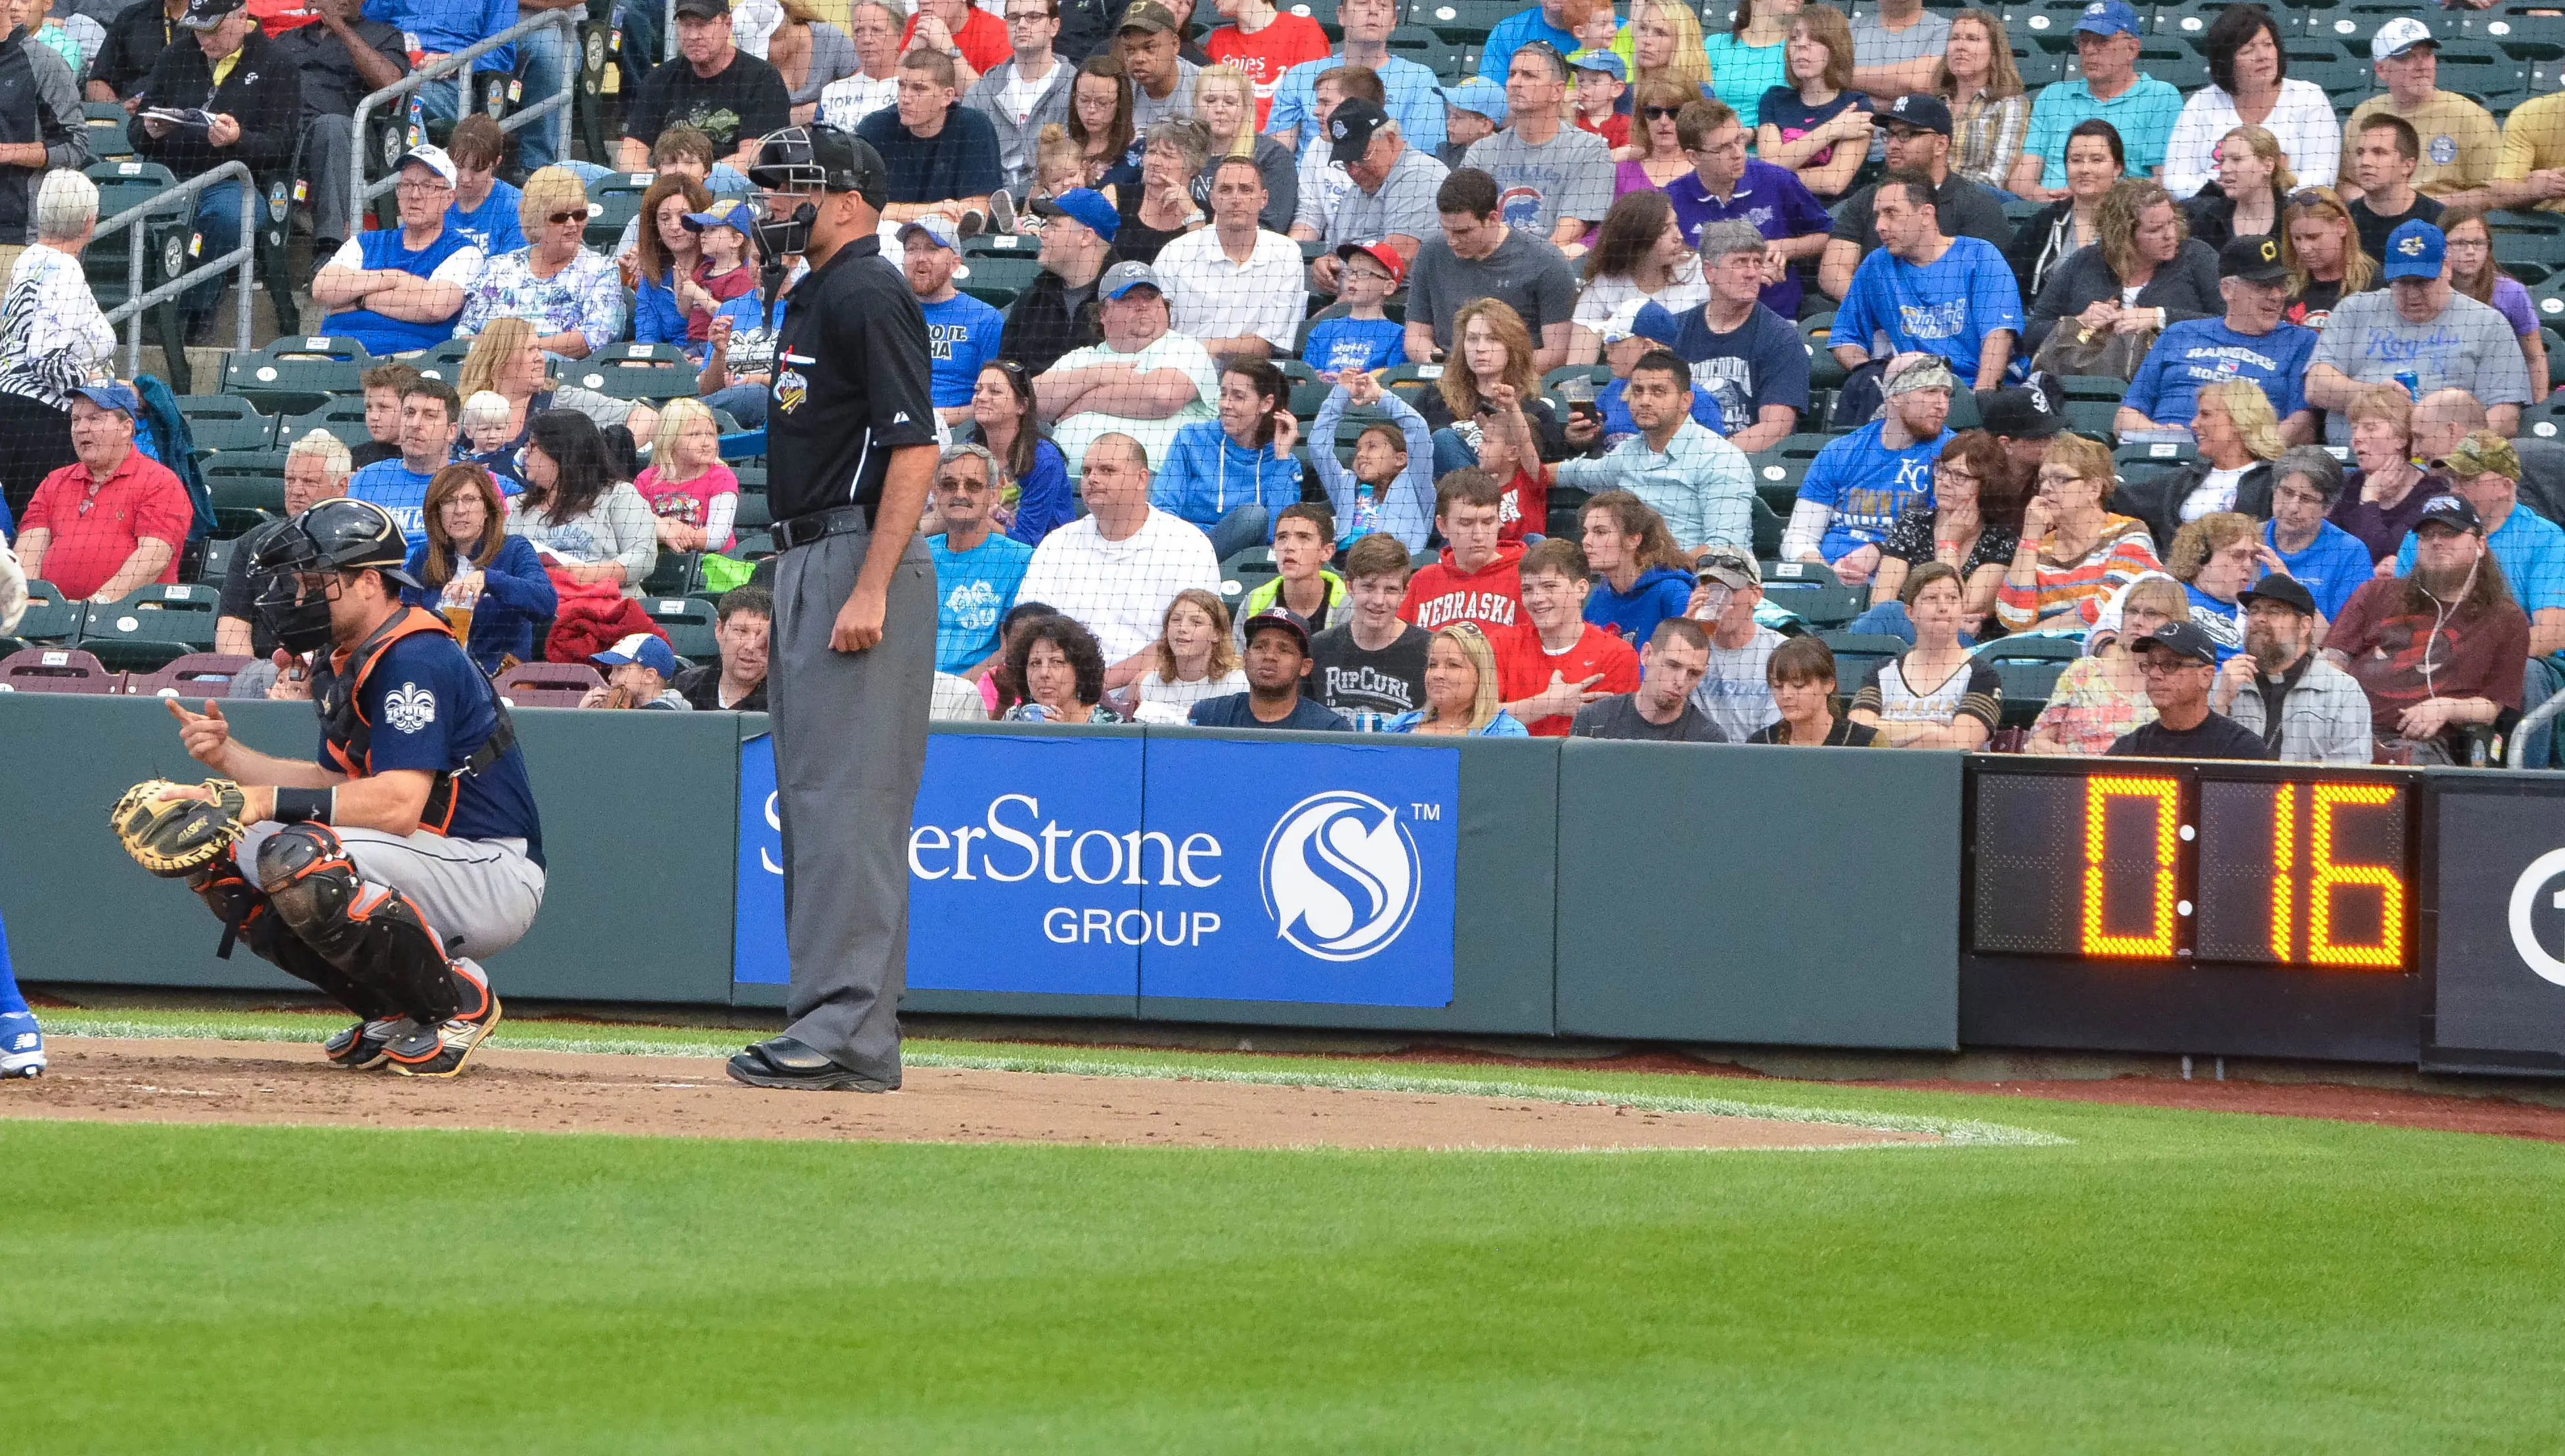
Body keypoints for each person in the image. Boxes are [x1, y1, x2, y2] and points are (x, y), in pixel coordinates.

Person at [709, 124, 938, 1093]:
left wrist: (874, 584)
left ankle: (842, 1029)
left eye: (786, 190)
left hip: (855, 553)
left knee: (847, 809)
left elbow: (917, 448)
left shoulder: (866, 290)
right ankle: (842, 1029)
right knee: (817, 807)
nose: (768, 206)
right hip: (810, 553)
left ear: (847, 198)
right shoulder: (812, 292)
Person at [160, 498, 542, 1076]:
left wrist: (264, 803)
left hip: (486, 868)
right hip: (420, 860)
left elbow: (397, 803)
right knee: (225, 846)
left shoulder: (416, 656)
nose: (300, 596)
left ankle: (459, 999)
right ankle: (396, 1005)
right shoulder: (345, 659)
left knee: (298, 853)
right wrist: (230, 761)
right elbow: (334, 784)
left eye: (316, 581)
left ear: (369, 581)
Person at [131, 0, 294, 340]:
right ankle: (132, 309)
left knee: (229, 216)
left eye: (212, 30)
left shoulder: (278, 64)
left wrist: (238, 139)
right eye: (197, 29)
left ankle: (192, 311)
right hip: (169, 178)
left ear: (241, 17)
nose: (203, 39)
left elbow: (280, 147)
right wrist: (149, 130)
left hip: (233, 181)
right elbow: (136, 130)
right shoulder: (175, 56)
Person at [2328, 492, 2528, 759]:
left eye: (2449, 533)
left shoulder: (2506, 618)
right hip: (2346, 733)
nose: (2436, 542)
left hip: (2428, 746)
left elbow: (2492, 705)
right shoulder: (2376, 593)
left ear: (2480, 544)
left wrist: (2446, 708)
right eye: (2427, 535)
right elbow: (2332, 661)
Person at [2304, 222, 2530, 446]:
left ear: (2448, 268)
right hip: (2353, 457)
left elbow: (2506, 417)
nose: (2412, 294)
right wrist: (2378, 395)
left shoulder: (2488, 323)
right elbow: (2316, 387)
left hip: (2444, 462)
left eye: (2422, 282)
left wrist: (2448, 446)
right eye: (2402, 283)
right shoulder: (2355, 309)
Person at [1016, 430, 1220, 667]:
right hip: (1068, 686)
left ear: (1142, 479)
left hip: (1157, 684)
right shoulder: (1057, 544)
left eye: (1107, 470)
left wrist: (1108, 682)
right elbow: (1029, 627)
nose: (1092, 478)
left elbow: (1193, 638)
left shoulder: (1188, 544)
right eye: (1086, 471)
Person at [1828, 169, 2020, 418]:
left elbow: (1998, 337)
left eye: (1891, 214)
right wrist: (1874, 374)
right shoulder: (1876, 266)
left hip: (1973, 390)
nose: (1879, 227)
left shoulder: (1980, 256)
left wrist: (1978, 401)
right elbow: (1845, 339)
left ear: (1927, 214)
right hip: (1910, 395)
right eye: (1878, 216)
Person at [2116, 235, 2317, 443]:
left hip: (2250, 462)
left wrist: (2242, 449)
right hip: (2167, 456)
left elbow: (2302, 425)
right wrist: (2161, 435)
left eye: (2281, 285)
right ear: (2227, 289)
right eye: (2263, 286)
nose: (2277, 296)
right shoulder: (2179, 334)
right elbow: (2125, 417)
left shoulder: (2300, 341)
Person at [1553, 349, 1751, 558]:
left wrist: (1654, 574)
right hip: (1632, 580)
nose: (1645, 400)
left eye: (1658, 392)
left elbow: (1724, 550)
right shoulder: (1628, 452)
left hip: (1697, 582)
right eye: (1638, 391)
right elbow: (1574, 472)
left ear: (1686, 401)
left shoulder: (1721, 459)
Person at [1816, 93, 2010, 304]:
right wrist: (1880, 309)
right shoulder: (1867, 198)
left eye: (1906, 135)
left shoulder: (1977, 205)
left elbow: (1982, 283)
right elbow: (1833, 272)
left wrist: (1915, 316)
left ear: (1941, 145)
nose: (1893, 145)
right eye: (1890, 135)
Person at [1633, 226, 1808, 453]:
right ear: (1710, 271)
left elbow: (1775, 428)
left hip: (1741, 466)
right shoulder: (1674, 330)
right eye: (1740, 262)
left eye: (1757, 262)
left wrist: (1705, 458)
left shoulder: (1781, 337)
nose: (1752, 273)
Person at [1034, 260, 1218, 475]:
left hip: (1158, 487)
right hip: (1068, 485)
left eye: (1150, 297)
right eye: (1128, 299)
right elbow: (1035, 401)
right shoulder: (1081, 358)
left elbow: (1162, 397)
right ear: (1103, 313)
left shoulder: (1185, 349)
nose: (1142, 305)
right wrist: (1098, 374)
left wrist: (1085, 400)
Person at [1784, 352, 1953, 586]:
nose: (1942, 404)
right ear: (1894, 396)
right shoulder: (1840, 451)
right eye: (1930, 392)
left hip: (1905, 583)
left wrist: (1882, 551)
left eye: (1946, 394)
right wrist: (1826, 573)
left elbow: (1947, 542)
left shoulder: (1953, 457)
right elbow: (1799, 537)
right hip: (1826, 580)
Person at [1659, 99, 1831, 327]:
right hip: (1700, 321)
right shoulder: (1671, 200)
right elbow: (1660, 265)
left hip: (1777, 318)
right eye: (1723, 148)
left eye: (1739, 139)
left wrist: (1782, 247)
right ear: (1694, 157)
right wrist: (1744, 269)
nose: (1738, 153)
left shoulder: (1777, 180)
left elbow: (1829, 236)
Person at [2394, 432, 2565, 660]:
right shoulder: (2422, 537)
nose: (2455, 491)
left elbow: (2553, 633)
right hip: (2433, 655)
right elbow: (2398, 618)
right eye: (2452, 480)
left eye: (2467, 480)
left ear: (2505, 486)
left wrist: (2473, 659)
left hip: (2518, 661)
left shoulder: (2545, 539)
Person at [12, 380, 182, 600]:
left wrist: (93, 608)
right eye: (76, 420)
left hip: (129, 618)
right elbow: (29, 552)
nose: (82, 429)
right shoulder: (54, 482)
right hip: (50, 617)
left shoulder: (159, 482)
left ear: (126, 428)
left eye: (94, 419)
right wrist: (33, 605)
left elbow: (154, 558)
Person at [0, 169, 109, 513]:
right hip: (40, 424)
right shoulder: (64, 268)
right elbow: (46, 358)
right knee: (43, 527)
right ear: (89, 222)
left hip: (14, 411)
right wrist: (92, 382)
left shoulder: (29, 257)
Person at [2023, 177, 2220, 358]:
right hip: (2086, 382)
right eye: (2155, 230)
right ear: (2124, 236)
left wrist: (2161, 317)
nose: (2170, 235)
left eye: (2171, 223)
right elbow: (2032, 334)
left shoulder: (2196, 256)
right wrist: (2079, 322)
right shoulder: (2085, 261)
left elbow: (2233, 324)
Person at [315, 145, 483, 358]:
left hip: (409, 362)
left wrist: (360, 300)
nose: (415, 195)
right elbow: (322, 288)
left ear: (449, 198)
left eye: (428, 186)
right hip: (333, 355)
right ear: (397, 192)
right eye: (407, 185)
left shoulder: (464, 252)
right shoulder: (365, 242)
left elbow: (435, 306)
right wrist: (393, 278)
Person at [1404, 168, 1578, 371]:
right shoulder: (1430, 253)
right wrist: (1446, 367)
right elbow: (1416, 337)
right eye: (1446, 229)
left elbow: (1556, 353)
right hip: (1446, 374)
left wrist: (1488, 373)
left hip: (1516, 383)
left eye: (1463, 232)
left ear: (1493, 218)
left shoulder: (1546, 260)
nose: (1452, 241)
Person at [1412, 297, 1563, 529]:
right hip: (1443, 514)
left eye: (1492, 339)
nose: (1480, 348)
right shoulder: (1434, 398)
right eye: (1472, 339)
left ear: (1512, 347)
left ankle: (1484, 514)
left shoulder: (1536, 410)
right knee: (1443, 440)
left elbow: (1540, 474)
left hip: (1511, 514)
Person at [1857, 428, 2021, 640]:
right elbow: (1881, 600)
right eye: (1942, 470)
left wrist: (1949, 544)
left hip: (1963, 646)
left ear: (1987, 485)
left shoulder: (2002, 541)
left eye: (1960, 476)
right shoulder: (1912, 523)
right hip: (1901, 638)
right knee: (1885, 613)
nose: (1944, 481)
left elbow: (1958, 607)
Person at [2160, 3, 2338, 200]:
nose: (2263, 56)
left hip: (2287, 214)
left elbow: (2322, 175)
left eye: (2268, 45)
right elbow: (2175, 179)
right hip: (2212, 215)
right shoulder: (2202, 103)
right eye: (2248, 50)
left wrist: (2268, 199)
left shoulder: (2309, 97)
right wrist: (2229, 194)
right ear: (2227, 61)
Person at [2007, 1, 2178, 203]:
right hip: (2047, 210)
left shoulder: (2161, 97)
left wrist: (2087, 197)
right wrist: (2051, 198)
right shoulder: (2054, 95)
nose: (2089, 50)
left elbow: (2162, 181)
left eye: (2101, 41)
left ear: (2133, 49)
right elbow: (2021, 179)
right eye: (2084, 41)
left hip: (2119, 213)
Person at [276, 0, 408, 258]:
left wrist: (339, 26)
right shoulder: (287, 40)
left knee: (330, 126)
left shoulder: (384, 35)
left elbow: (392, 84)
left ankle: (331, 250)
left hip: (353, 141)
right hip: (289, 138)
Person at [1996, 430, 2164, 630]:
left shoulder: (2129, 534)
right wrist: (2030, 537)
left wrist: (2033, 632)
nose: (2047, 488)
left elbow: (2108, 609)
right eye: (2043, 479)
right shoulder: (2037, 549)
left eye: (2061, 478)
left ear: (2094, 488)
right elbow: (2013, 617)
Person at [401, 464, 556, 674]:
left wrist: (488, 579)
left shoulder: (514, 549)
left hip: (499, 681)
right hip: (435, 675)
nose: (459, 510)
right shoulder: (424, 557)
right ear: (437, 512)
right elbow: (406, 622)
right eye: (449, 501)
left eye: (470, 499)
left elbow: (546, 602)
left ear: (487, 509)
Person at [455, 169, 625, 361]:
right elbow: (463, 332)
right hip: (489, 374)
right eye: (560, 217)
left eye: (579, 215)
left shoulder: (601, 271)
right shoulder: (498, 268)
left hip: (561, 378)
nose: (572, 224)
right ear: (536, 221)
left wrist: (516, 350)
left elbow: (595, 337)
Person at [1461, 43, 1613, 255]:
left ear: (1557, 91)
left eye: (1529, 76)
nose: (1515, 83)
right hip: (1487, 262)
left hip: (1548, 267)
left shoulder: (1588, 150)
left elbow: (1570, 232)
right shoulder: (1482, 150)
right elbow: (1465, 221)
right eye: (1512, 74)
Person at [2208, 573, 2370, 764]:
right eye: (2254, 610)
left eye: (2274, 611)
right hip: (2233, 793)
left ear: (2304, 626)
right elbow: (2198, 765)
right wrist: (2220, 704)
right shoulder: (2223, 683)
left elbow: (2352, 774)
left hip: (2309, 793)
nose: (2259, 618)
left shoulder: (2342, 691)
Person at [1148, 357, 1301, 558]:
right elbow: (1164, 508)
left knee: (1252, 517)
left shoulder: (1284, 461)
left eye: (1238, 396)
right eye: (1224, 394)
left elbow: (1279, 534)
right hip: (1182, 549)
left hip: (1241, 557)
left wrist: (1282, 457)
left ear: (1265, 404)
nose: (1226, 404)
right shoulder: (1191, 438)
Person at [1153, 154, 1305, 357]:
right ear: (1212, 199)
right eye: (1226, 190)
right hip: (1178, 371)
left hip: (1253, 376)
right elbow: (1155, 331)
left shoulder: (1287, 254)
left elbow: (1267, 345)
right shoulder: (1175, 253)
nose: (1236, 199)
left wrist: (1208, 348)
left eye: (1246, 190)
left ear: (1264, 199)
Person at [1486, 537, 1639, 736]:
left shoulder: (1617, 655)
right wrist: (1549, 704)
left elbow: (1616, 736)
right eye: (1527, 589)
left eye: (1550, 586)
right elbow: (1474, 718)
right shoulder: (1502, 642)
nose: (1537, 599)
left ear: (1581, 588)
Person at [215, 430, 348, 659]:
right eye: (290, 480)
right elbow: (232, 629)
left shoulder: (356, 545)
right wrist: (249, 675)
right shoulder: (255, 542)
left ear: (342, 487)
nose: (296, 490)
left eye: (309, 482)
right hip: (258, 669)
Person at [2344, 18, 2499, 210]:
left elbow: (2490, 194)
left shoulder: (2470, 116)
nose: (2421, 65)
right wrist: (2377, 206)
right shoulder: (2365, 114)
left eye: (2426, 54)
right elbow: (2344, 183)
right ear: (2381, 70)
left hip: (2443, 225)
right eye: (2406, 57)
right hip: (2374, 225)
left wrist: (2418, 207)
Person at [619, 0, 793, 171]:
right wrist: (661, 182)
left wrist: (691, 176)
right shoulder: (659, 79)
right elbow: (629, 158)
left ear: (728, 25)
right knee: (592, 172)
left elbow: (753, 159)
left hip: (730, 191)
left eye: (703, 25)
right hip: (666, 186)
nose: (693, 36)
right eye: (686, 25)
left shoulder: (761, 78)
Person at [1263, 0, 1446, 162]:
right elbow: (1279, 158)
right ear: (1341, 15)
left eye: (1383, 5)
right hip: (1309, 192)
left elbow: (1420, 159)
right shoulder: (1300, 75)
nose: (1373, 10)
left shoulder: (1418, 78)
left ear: (1393, 22)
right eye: (1362, 3)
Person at [2117, 379, 2285, 556]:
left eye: (2206, 415)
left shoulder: (2275, 482)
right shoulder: (2185, 479)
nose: (2194, 424)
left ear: (2238, 422)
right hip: (2174, 576)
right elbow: (2118, 500)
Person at [1295, 97, 1448, 288]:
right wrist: (1323, 264)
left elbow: (1400, 257)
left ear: (1390, 138)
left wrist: (1340, 267)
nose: (1354, 170)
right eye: (1347, 162)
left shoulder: (1421, 174)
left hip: (1405, 301)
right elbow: (1334, 253)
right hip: (1357, 299)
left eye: (1361, 157)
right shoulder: (1358, 190)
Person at [1843, 562, 1999, 748]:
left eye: (1952, 598)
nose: (1943, 607)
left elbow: (1959, 745)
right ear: (1910, 612)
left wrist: (1885, 737)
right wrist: (1932, 729)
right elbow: (1857, 732)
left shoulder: (1982, 675)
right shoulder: (1882, 671)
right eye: (1931, 598)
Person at [2024, 573, 2184, 755]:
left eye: (2151, 614)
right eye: (2131, 611)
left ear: (2174, 623)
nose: (2137, 622)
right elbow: (2036, 745)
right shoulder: (2083, 672)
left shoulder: (2180, 683)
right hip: (2074, 779)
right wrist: (2091, 766)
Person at [508, 411, 659, 602]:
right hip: (539, 611)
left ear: (561, 452)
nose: (525, 452)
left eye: (533, 445)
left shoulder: (620, 496)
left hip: (606, 611)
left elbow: (643, 557)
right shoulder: (515, 506)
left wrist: (587, 574)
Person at [922, 443, 1033, 676]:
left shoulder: (1020, 560)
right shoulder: (918, 556)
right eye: (949, 485)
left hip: (976, 693)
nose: (960, 494)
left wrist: (957, 688)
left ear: (993, 494)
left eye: (973, 486)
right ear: (935, 491)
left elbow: (1010, 649)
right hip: (912, 687)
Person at [859, 50, 1004, 227]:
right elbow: (857, 209)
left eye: (919, 89)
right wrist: (933, 210)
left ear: (947, 96)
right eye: (902, 86)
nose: (905, 98)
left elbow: (973, 217)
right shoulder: (875, 128)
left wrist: (896, 212)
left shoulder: (973, 127)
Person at [887, 217, 1004, 431]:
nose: (920, 258)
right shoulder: (888, 313)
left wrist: (935, 417)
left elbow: (996, 400)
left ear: (955, 263)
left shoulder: (985, 318)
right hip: (891, 425)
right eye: (911, 249)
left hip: (957, 432)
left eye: (932, 249)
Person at [1305, 363, 1433, 556]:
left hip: (1393, 561)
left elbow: (1418, 428)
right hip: (1346, 559)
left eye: (1372, 447)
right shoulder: (1345, 484)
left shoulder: (1414, 483)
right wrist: (1339, 395)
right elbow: (1318, 447)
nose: (1362, 454)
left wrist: (1380, 395)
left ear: (1400, 458)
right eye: (1358, 449)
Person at [1568, 190, 1705, 364]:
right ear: (1636, 238)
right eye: (1665, 230)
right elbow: (1578, 367)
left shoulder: (1699, 271)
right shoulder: (1603, 285)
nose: (1679, 236)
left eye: (1676, 225)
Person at [1752, 3, 1871, 204]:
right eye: (1794, 37)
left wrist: (1778, 174)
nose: (1801, 45)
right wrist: (1832, 129)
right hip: (1777, 207)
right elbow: (1770, 165)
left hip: (1828, 214)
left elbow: (1834, 181)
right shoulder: (1774, 98)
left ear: (1835, 48)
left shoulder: (1856, 104)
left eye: (1814, 38)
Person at [1302, 533, 1425, 722]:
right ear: (1349, 586)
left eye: (1391, 590)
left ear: (1405, 592)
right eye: (1369, 587)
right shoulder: (1319, 648)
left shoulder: (1428, 651)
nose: (1379, 601)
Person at [2105, 619, 2271, 759]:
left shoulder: (2241, 749)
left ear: (2206, 676)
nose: (2155, 674)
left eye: (2169, 665)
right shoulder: (2129, 749)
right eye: (2149, 664)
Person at [2441, 204, 2552, 408]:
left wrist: (2539, 407)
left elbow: (2535, 356)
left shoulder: (2511, 293)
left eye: (2479, 243)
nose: (2470, 251)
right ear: (2441, 246)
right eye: (2459, 243)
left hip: (2499, 395)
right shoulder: (2431, 291)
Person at [1000, 186, 1119, 376]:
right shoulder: (1033, 298)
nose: (1042, 232)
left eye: (1053, 225)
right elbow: (1007, 369)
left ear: (1086, 236)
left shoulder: (1125, 296)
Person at [963, 0, 1073, 195]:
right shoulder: (981, 93)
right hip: (990, 199)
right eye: (1013, 17)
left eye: (1033, 17)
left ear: (1054, 26)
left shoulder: (1075, 87)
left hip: (1054, 198)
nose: (1021, 24)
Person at [2005, 120, 2120, 302]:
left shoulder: (2134, 223)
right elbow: (2012, 289)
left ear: (2117, 168)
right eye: (2076, 160)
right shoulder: (2042, 225)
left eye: (2096, 160)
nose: (2085, 169)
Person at [1398, 468, 1525, 633]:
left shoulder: (1526, 578)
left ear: (1500, 521)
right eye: (1466, 523)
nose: (1479, 535)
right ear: (1442, 525)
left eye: (1488, 522)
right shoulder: (1423, 581)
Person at [1187, 605, 1350, 728]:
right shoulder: (1209, 717)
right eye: (1260, 647)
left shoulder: (1328, 729)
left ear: (1305, 666)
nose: (1270, 656)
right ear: (1245, 658)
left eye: (1284, 650)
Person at [970, 359, 1075, 546]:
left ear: (1022, 406)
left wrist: (973, 516)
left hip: (1041, 558)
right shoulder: (968, 451)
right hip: (981, 549)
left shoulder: (1044, 459)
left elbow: (1028, 540)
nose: (981, 397)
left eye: (995, 391)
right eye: (978, 390)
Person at [2258, 447, 2370, 624]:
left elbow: (2341, 642)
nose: (2293, 507)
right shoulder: (2249, 539)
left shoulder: (2349, 552)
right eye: (2287, 493)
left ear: (2328, 508)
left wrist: (2289, 589)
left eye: (2307, 499)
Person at [346, 377, 460, 550]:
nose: (415, 424)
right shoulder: (367, 478)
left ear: (451, 431)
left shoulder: (470, 481)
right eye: (409, 413)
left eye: (430, 416)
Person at [1682, 545, 1781, 741]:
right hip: (1698, 757)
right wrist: (1684, 634)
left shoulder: (1780, 651)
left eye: (1728, 590)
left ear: (1756, 595)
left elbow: (1778, 733)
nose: (1717, 599)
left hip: (1760, 757)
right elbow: (1657, 701)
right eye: (1709, 587)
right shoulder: (1687, 648)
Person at [1570, 615, 1724, 742]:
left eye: (1693, 673)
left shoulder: (1709, 740)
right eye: (1673, 665)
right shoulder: (1593, 721)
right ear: (1646, 655)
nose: (1681, 681)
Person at [1578, 489, 1694, 650]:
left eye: (1600, 532)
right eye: (1585, 532)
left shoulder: (1674, 591)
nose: (1586, 541)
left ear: (1633, 540)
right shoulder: (1600, 596)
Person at [1187, 63, 1295, 231]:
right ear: (1195, 104)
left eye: (1230, 102)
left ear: (1245, 108)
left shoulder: (1272, 156)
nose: (1220, 109)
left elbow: (1272, 225)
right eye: (1210, 100)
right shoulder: (1181, 152)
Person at [2328, 385, 2430, 565]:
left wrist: (2369, 498)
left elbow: (2382, 557)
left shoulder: (2430, 494)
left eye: (2370, 428)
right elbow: (2330, 550)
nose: (2357, 438)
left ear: (2402, 438)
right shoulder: (2351, 484)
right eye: (2354, 429)